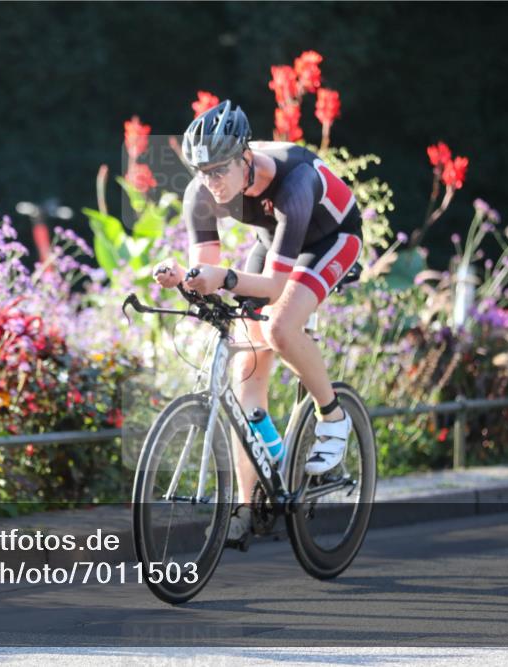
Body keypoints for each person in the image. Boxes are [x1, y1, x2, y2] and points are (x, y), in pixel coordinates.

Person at [152, 100, 363, 545]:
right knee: (245, 366)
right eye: (202, 172)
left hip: (332, 238)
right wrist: (184, 280)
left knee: (280, 328)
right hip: (277, 240)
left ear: (246, 158)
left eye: (219, 170)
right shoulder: (202, 192)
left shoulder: (295, 181)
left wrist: (225, 277)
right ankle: (245, 506)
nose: (211, 182)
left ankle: (333, 416)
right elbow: (203, 269)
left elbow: (271, 285)